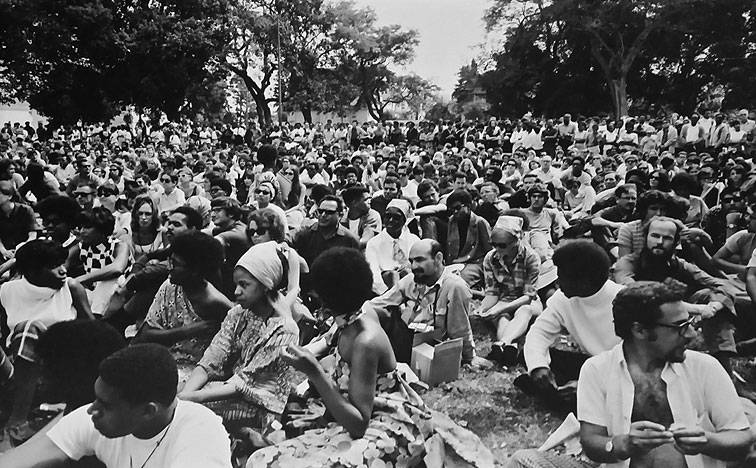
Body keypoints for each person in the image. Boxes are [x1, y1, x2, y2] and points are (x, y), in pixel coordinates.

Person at [249, 247, 494, 467]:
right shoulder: (354, 316)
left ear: (327, 298)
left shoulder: (364, 341)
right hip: (366, 410)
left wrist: (314, 371)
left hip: (390, 427)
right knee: (259, 459)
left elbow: (358, 425)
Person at [510, 280, 753, 468]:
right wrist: (622, 444)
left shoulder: (704, 367)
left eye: (690, 323)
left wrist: (707, 441)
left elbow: (742, 441)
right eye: (680, 327)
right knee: (523, 460)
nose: (691, 335)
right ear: (640, 331)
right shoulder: (597, 370)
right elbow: (592, 441)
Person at [2, 344, 233, 468]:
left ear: (148, 411)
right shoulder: (99, 415)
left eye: (105, 404)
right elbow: (19, 460)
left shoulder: (201, 437)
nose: (91, 410)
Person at [179, 242, 299, 434]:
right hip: (230, 388)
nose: (236, 292)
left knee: (189, 413)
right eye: (236, 284)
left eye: (244, 285)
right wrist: (186, 394)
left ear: (266, 285)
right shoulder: (238, 314)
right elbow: (213, 357)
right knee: (175, 396)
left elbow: (245, 384)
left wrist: (193, 399)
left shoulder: (284, 329)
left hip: (259, 405)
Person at [613, 216, 736, 373]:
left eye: (667, 238)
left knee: (708, 294)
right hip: (642, 323)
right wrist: (697, 309)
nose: (659, 242)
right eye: (655, 236)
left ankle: (724, 367)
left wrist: (714, 306)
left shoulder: (680, 265)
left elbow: (722, 285)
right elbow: (633, 292)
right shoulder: (629, 263)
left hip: (678, 320)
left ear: (676, 242)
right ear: (646, 237)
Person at [0, 240, 94, 441]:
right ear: (31, 272)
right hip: (16, 373)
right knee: (23, 331)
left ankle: (18, 416)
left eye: (62, 263)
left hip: (58, 372)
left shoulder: (71, 288)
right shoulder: (8, 291)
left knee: (28, 329)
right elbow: (3, 337)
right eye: (53, 266)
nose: (63, 271)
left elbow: (93, 334)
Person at [518, 240, 623, 411]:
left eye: (562, 276)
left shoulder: (623, 300)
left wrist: (588, 385)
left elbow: (637, 363)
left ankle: (580, 397)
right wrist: (538, 366)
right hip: (592, 363)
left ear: (585, 281)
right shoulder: (562, 298)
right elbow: (539, 333)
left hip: (621, 370)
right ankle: (561, 391)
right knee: (530, 355)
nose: (557, 282)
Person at [134, 232, 233, 381]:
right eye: (170, 261)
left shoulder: (217, 303)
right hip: (162, 360)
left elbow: (227, 355)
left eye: (176, 264)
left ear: (196, 271)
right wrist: (189, 331)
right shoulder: (170, 285)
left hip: (194, 373)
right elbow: (146, 335)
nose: (169, 267)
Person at [364, 239, 479, 365]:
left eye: (419, 260)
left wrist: (469, 357)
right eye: (411, 261)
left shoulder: (454, 287)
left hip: (432, 349)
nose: (413, 267)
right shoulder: (411, 280)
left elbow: (460, 329)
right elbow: (381, 302)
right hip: (407, 338)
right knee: (377, 313)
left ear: (438, 258)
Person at [475, 216, 541, 366]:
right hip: (503, 299)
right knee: (501, 318)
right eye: (494, 244)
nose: (497, 249)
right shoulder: (490, 258)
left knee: (524, 311)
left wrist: (498, 309)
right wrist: (483, 308)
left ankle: (503, 341)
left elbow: (528, 296)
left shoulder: (530, 258)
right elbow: (492, 292)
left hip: (526, 301)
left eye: (502, 245)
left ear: (517, 240)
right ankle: (510, 347)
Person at [365, 199, 421, 294]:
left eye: (396, 218)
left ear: (404, 220)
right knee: (392, 275)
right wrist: (386, 293)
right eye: (388, 216)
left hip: (411, 285)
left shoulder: (413, 240)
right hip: (386, 287)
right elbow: (373, 273)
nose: (391, 220)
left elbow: (420, 265)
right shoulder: (374, 243)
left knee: (407, 272)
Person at [445, 189, 491, 288]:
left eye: (458, 208)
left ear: (468, 206)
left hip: (475, 263)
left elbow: (490, 252)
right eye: (452, 209)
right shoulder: (451, 222)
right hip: (455, 263)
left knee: (458, 281)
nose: (455, 212)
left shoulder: (480, 222)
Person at [0, 179, 36, 262]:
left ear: (9, 196)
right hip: (4, 252)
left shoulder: (26, 210)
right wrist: (4, 251)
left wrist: (22, 247)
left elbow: (32, 235)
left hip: (25, 250)